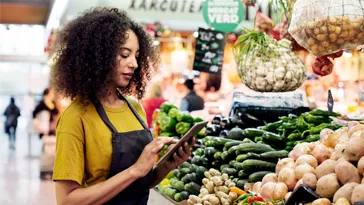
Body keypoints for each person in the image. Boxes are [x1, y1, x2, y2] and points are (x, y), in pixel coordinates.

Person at [51, 8, 194, 205]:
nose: (134, 63)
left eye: (136, 55)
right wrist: (134, 170)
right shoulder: (76, 117)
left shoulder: (135, 108)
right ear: (97, 55)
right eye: (124, 54)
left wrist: (165, 166)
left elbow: (138, 183)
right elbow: (67, 200)